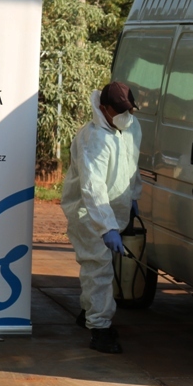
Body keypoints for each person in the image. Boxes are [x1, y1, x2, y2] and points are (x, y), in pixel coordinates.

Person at [61, 81, 143, 353]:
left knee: (97, 268)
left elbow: (132, 164)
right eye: (119, 111)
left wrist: (133, 195)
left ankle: (88, 313)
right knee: (98, 268)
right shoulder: (93, 139)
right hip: (89, 213)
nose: (125, 115)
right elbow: (92, 188)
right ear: (104, 108)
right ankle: (100, 329)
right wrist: (106, 226)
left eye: (128, 110)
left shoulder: (130, 127)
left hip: (113, 211)